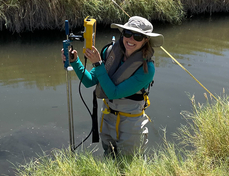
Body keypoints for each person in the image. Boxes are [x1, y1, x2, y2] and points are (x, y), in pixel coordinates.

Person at [62, 16, 164, 158]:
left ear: (146, 39)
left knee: (128, 165)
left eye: (138, 36)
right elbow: (89, 81)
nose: (131, 39)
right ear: (122, 34)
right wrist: (75, 61)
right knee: (109, 159)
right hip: (108, 118)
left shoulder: (147, 69)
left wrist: (98, 64)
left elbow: (113, 93)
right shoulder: (109, 52)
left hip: (131, 123)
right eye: (127, 33)